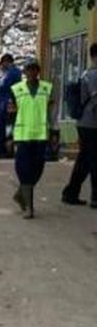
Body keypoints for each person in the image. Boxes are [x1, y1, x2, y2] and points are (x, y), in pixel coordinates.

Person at [9, 59, 53, 219]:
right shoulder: (17, 90)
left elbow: (52, 112)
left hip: (41, 136)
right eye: (29, 70)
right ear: (25, 72)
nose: (32, 73)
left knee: (38, 170)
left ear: (38, 71)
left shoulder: (46, 89)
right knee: (24, 170)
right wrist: (9, 136)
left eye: (35, 69)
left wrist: (54, 132)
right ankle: (29, 207)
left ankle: (21, 194)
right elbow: (11, 114)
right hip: (23, 137)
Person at [63, 43, 97, 207]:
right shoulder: (95, 75)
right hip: (92, 123)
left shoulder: (86, 73)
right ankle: (95, 197)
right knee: (94, 160)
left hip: (84, 122)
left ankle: (70, 193)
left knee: (84, 160)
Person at [0, 54, 22, 160]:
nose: (2, 66)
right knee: (8, 126)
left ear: (6, 62)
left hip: (8, 102)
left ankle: (3, 149)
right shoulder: (11, 72)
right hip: (6, 101)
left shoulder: (12, 73)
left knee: (6, 126)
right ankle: (5, 149)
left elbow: (6, 86)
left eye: (3, 64)